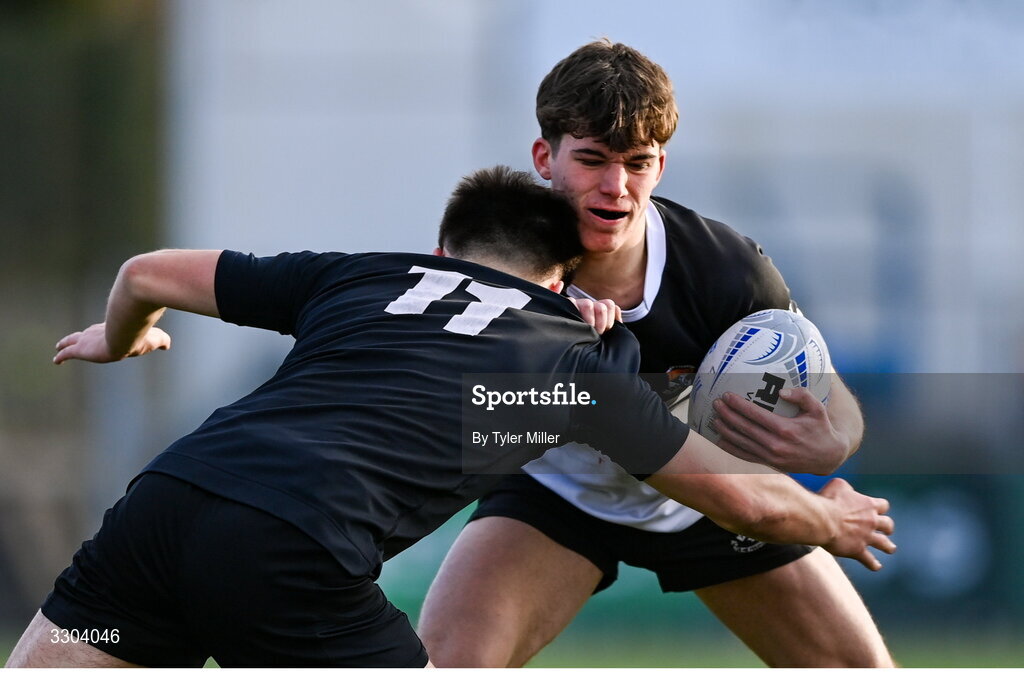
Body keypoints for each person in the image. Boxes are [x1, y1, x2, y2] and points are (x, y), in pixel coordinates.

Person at [5, 166, 893, 668]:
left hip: (162, 508)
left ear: (442, 249)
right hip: (294, 553)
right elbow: (744, 502)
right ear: (562, 280)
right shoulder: (575, 363)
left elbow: (148, 271)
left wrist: (121, 339)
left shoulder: (356, 273)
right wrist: (833, 515)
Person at [419, 41, 895, 668]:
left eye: (637, 163)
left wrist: (834, 442)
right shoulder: (505, 262)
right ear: (545, 157)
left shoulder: (725, 271)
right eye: (590, 160)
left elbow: (828, 395)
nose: (615, 187)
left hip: (710, 500)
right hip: (558, 496)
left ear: (661, 166)